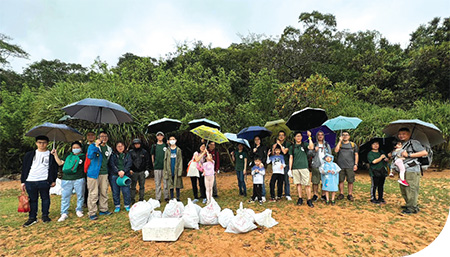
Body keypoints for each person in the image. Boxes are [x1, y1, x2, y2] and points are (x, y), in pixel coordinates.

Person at [21, 135, 58, 227]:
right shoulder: (30, 154)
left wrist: (53, 180)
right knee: (33, 199)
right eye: (40, 142)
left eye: (44, 142)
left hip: (44, 180)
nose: (42, 144)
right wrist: (23, 181)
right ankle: (32, 217)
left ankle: (45, 216)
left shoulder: (51, 154)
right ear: (36, 143)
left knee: (45, 198)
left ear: (48, 143)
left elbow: (54, 168)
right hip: (30, 180)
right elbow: (24, 168)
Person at [395, 127, 428, 214]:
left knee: (411, 188)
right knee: (404, 188)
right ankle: (410, 204)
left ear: (409, 134)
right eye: (400, 134)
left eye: (403, 134)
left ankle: (412, 208)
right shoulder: (402, 144)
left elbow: (424, 153)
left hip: (412, 169)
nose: (401, 136)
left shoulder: (414, 142)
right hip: (403, 169)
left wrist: (409, 155)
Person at [52, 141, 86, 222]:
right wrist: (55, 154)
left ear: (81, 148)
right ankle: (64, 213)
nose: (75, 149)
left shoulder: (83, 156)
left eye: (77, 147)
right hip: (66, 179)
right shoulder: (67, 156)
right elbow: (60, 163)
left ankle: (79, 209)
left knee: (80, 195)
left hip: (79, 178)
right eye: (74, 148)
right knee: (65, 196)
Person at [86, 132, 113, 220]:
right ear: (98, 138)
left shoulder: (109, 149)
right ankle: (92, 212)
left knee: (104, 192)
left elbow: (108, 160)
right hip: (93, 173)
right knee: (93, 193)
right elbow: (90, 156)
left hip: (104, 173)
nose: (104, 138)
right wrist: (96, 146)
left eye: (105, 136)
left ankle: (103, 209)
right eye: (102, 136)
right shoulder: (92, 146)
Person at [289, 131, 314, 207]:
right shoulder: (292, 147)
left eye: (300, 136)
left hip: (304, 167)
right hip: (295, 167)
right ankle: (300, 198)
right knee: (298, 184)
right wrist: (290, 169)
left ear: (302, 137)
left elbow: (311, 147)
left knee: (307, 184)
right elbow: (291, 157)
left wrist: (309, 137)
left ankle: (309, 199)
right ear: (294, 138)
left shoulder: (304, 144)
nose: (298, 138)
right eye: (297, 136)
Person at [335, 131, 358, 201]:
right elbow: (336, 151)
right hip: (340, 166)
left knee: (350, 181)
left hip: (350, 165)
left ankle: (350, 194)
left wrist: (356, 164)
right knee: (340, 180)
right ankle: (341, 193)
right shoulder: (340, 144)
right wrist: (339, 141)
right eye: (343, 135)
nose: (345, 136)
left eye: (346, 135)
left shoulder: (353, 145)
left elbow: (356, 154)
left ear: (349, 136)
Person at [108, 142, 132, 212]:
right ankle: (117, 205)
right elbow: (112, 164)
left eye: (121, 146)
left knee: (126, 191)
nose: (120, 147)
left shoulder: (127, 155)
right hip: (115, 176)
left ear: (124, 147)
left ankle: (127, 205)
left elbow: (129, 164)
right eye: (118, 146)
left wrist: (124, 171)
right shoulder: (113, 155)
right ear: (116, 147)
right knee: (115, 191)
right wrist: (118, 171)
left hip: (125, 175)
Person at [309, 130, 332, 202]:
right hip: (316, 165)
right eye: (319, 135)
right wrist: (314, 151)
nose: (320, 136)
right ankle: (315, 195)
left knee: (324, 181)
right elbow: (309, 154)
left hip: (325, 166)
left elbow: (330, 155)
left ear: (323, 136)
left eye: (322, 134)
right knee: (315, 181)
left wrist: (329, 164)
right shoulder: (314, 144)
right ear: (317, 136)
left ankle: (323, 195)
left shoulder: (326, 145)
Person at [129, 138, 150, 204]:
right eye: (135, 144)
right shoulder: (130, 152)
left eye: (138, 144)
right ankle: (132, 199)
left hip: (142, 172)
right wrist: (129, 169)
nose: (137, 145)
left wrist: (147, 170)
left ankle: (141, 198)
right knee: (133, 187)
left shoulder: (144, 152)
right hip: (133, 172)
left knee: (142, 186)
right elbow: (129, 162)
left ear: (140, 144)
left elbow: (147, 161)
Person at [272, 131, 292, 201]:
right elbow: (273, 154)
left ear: (285, 137)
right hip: (277, 166)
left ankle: (287, 194)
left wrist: (280, 145)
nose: (281, 136)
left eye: (282, 135)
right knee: (279, 180)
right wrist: (273, 148)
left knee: (286, 180)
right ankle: (279, 194)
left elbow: (284, 151)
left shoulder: (288, 144)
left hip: (285, 164)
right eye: (280, 135)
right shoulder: (275, 145)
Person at [151, 131, 169, 202]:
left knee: (166, 183)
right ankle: (158, 198)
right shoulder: (154, 146)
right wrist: (153, 163)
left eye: (161, 135)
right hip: (157, 167)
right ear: (156, 137)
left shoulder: (166, 145)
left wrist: (169, 145)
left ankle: (166, 197)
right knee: (157, 183)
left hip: (165, 167)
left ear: (163, 137)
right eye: (158, 135)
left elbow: (169, 153)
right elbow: (152, 155)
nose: (160, 137)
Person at [163, 136, 183, 201]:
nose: (172, 141)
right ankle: (171, 197)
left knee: (177, 184)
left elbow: (180, 161)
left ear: (176, 140)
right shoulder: (167, 150)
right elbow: (165, 160)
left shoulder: (178, 150)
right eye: (170, 139)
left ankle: (177, 197)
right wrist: (165, 170)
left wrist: (180, 170)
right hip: (169, 169)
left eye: (173, 139)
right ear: (168, 141)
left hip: (176, 169)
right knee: (170, 184)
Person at [252, 136, 268, 202]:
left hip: (261, 166)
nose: (257, 141)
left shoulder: (263, 147)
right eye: (255, 140)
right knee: (255, 181)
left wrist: (262, 163)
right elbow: (251, 157)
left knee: (261, 181)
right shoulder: (253, 148)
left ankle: (262, 195)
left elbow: (265, 156)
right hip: (255, 166)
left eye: (258, 139)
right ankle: (256, 195)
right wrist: (253, 152)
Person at [82, 131, 96, 207]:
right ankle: (85, 201)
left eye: (92, 135)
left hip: (95, 168)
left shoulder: (97, 145)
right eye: (89, 135)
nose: (90, 137)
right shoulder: (84, 146)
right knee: (86, 186)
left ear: (95, 136)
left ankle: (95, 200)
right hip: (87, 168)